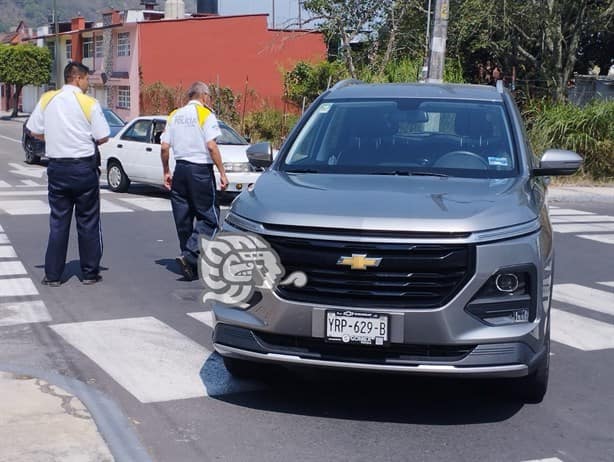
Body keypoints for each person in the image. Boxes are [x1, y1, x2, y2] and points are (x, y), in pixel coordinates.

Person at [26, 62, 110, 286]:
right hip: (83, 168)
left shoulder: (47, 99)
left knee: (58, 222)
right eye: (86, 80)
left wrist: (53, 138)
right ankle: (90, 273)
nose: (87, 84)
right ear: (77, 78)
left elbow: (34, 130)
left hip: (57, 168)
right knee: (88, 221)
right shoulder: (88, 102)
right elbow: (103, 137)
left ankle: (53, 275)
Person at [160, 81, 229, 280]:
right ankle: (190, 256)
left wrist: (166, 170)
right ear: (204, 96)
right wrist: (222, 172)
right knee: (210, 218)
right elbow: (211, 146)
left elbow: (164, 147)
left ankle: (188, 263)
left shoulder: (174, 115)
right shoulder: (205, 114)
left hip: (180, 169)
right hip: (200, 170)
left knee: (183, 217)